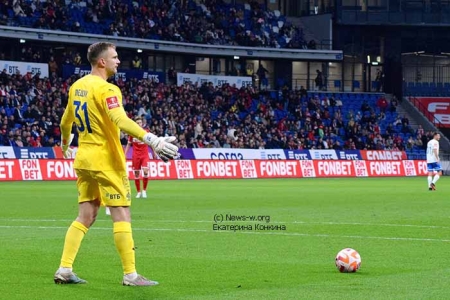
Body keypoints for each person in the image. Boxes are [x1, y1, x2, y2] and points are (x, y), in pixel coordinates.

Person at [54, 42, 178, 286]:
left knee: (86, 215)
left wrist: (65, 146)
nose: (118, 61)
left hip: (83, 159)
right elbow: (120, 119)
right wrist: (151, 139)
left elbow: (65, 122)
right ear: (102, 62)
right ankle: (130, 275)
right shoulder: (108, 89)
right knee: (122, 213)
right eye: (115, 57)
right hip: (107, 160)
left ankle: (65, 269)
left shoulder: (76, 86)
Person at [124, 116, 153, 199]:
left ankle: (144, 191)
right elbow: (129, 144)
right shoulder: (132, 133)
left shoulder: (146, 132)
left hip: (144, 155)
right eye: (137, 123)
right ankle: (138, 192)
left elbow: (151, 143)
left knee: (146, 171)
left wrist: (154, 152)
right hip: (136, 155)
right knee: (136, 174)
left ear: (142, 123)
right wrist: (125, 154)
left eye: (140, 122)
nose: (139, 124)